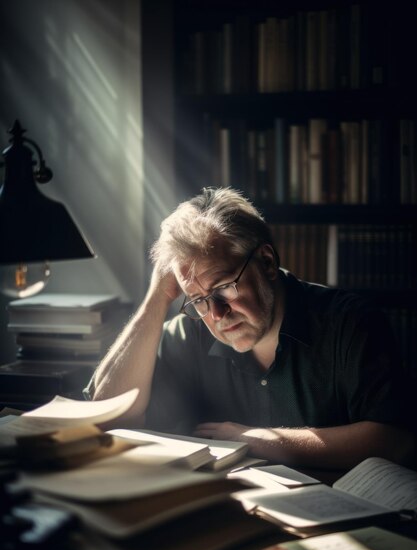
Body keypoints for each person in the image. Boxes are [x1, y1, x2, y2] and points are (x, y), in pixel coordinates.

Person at [87, 187, 415, 470]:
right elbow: (106, 416)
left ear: (267, 263)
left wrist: (254, 440)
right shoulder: (191, 332)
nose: (216, 314)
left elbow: (394, 440)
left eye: (224, 288)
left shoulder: (349, 323)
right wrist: (157, 298)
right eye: (198, 300)